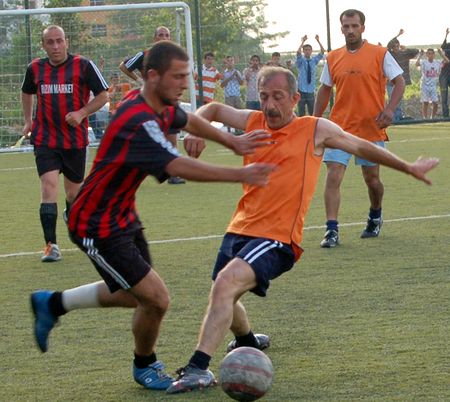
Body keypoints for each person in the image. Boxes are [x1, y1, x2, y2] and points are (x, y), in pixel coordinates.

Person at [165, 66, 438, 394]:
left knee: (226, 283)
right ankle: (247, 340)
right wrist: (197, 127)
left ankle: (198, 368)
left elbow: (361, 146)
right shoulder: (252, 121)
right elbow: (212, 109)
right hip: (240, 226)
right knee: (223, 291)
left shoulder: (314, 129)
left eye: (278, 97)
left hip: (278, 238)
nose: (270, 105)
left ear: (295, 98)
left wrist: (407, 167)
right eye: (264, 96)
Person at [30, 41, 275, 391]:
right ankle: (144, 365)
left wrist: (232, 142)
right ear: (153, 76)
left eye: (186, 75)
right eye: (178, 76)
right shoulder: (138, 120)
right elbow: (177, 166)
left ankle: (52, 303)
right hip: (95, 224)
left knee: (136, 295)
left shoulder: (156, 103)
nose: (185, 83)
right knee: (156, 299)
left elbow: (187, 119)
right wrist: (241, 173)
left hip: (122, 216)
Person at [314, 9, 405, 249]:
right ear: (341, 29)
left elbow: (399, 81)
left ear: (362, 28)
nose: (351, 30)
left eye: (355, 26)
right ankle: (331, 230)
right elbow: (324, 89)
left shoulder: (380, 54)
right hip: (339, 129)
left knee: (372, 180)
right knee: (333, 175)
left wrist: (390, 109)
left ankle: (375, 215)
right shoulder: (333, 57)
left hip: (370, 129)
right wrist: (314, 122)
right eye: (346, 26)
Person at [21, 25, 109, 262]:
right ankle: (51, 245)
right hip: (45, 139)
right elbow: (26, 92)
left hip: (74, 140)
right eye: (50, 42)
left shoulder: (84, 65)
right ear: (43, 45)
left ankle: (72, 216)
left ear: (66, 42)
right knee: (48, 186)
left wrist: (81, 112)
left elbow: (104, 95)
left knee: (73, 194)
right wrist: (28, 120)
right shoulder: (35, 68)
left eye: (59, 41)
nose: (56, 46)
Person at [119, 25, 185, 184]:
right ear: (155, 38)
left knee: (172, 134)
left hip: (168, 100)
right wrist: (139, 80)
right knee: (144, 136)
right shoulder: (145, 55)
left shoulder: (174, 57)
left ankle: (173, 174)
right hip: (149, 102)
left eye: (166, 35)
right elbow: (123, 66)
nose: (164, 37)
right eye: (161, 35)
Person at [387, 29, 419, 121]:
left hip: (400, 82)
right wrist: (398, 35)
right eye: (394, 46)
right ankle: (394, 118)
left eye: (397, 46)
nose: (396, 48)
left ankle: (398, 117)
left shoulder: (404, 53)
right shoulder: (390, 55)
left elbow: (416, 51)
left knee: (400, 100)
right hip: (391, 82)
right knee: (392, 100)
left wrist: (406, 49)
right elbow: (388, 45)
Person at [295, 34, 325, 116]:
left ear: (311, 51)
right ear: (303, 51)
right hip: (301, 90)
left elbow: (322, 51)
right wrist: (303, 41)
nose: (307, 51)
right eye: (305, 50)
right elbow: (298, 53)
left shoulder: (314, 60)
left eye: (309, 49)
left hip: (311, 89)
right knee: (301, 113)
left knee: (312, 112)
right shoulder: (301, 61)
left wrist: (318, 40)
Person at [415, 48, 448, 119]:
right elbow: (416, 64)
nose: (430, 55)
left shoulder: (437, 62)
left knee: (435, 103)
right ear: (427, 55)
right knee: (425, 102)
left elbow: (447, 61)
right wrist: (420, 55)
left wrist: (441, 53)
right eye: (429, 54)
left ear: (434, 55)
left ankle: (432, 117)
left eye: (432, 54)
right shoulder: (424, 62)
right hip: (424, 85)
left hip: (433, 85)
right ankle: (425, 118)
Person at [439, 28, 450, 118]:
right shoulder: (447, 46)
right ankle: (445, 116)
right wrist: (446, 35)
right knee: (444, 96)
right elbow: (443, 46)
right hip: (444, 75)